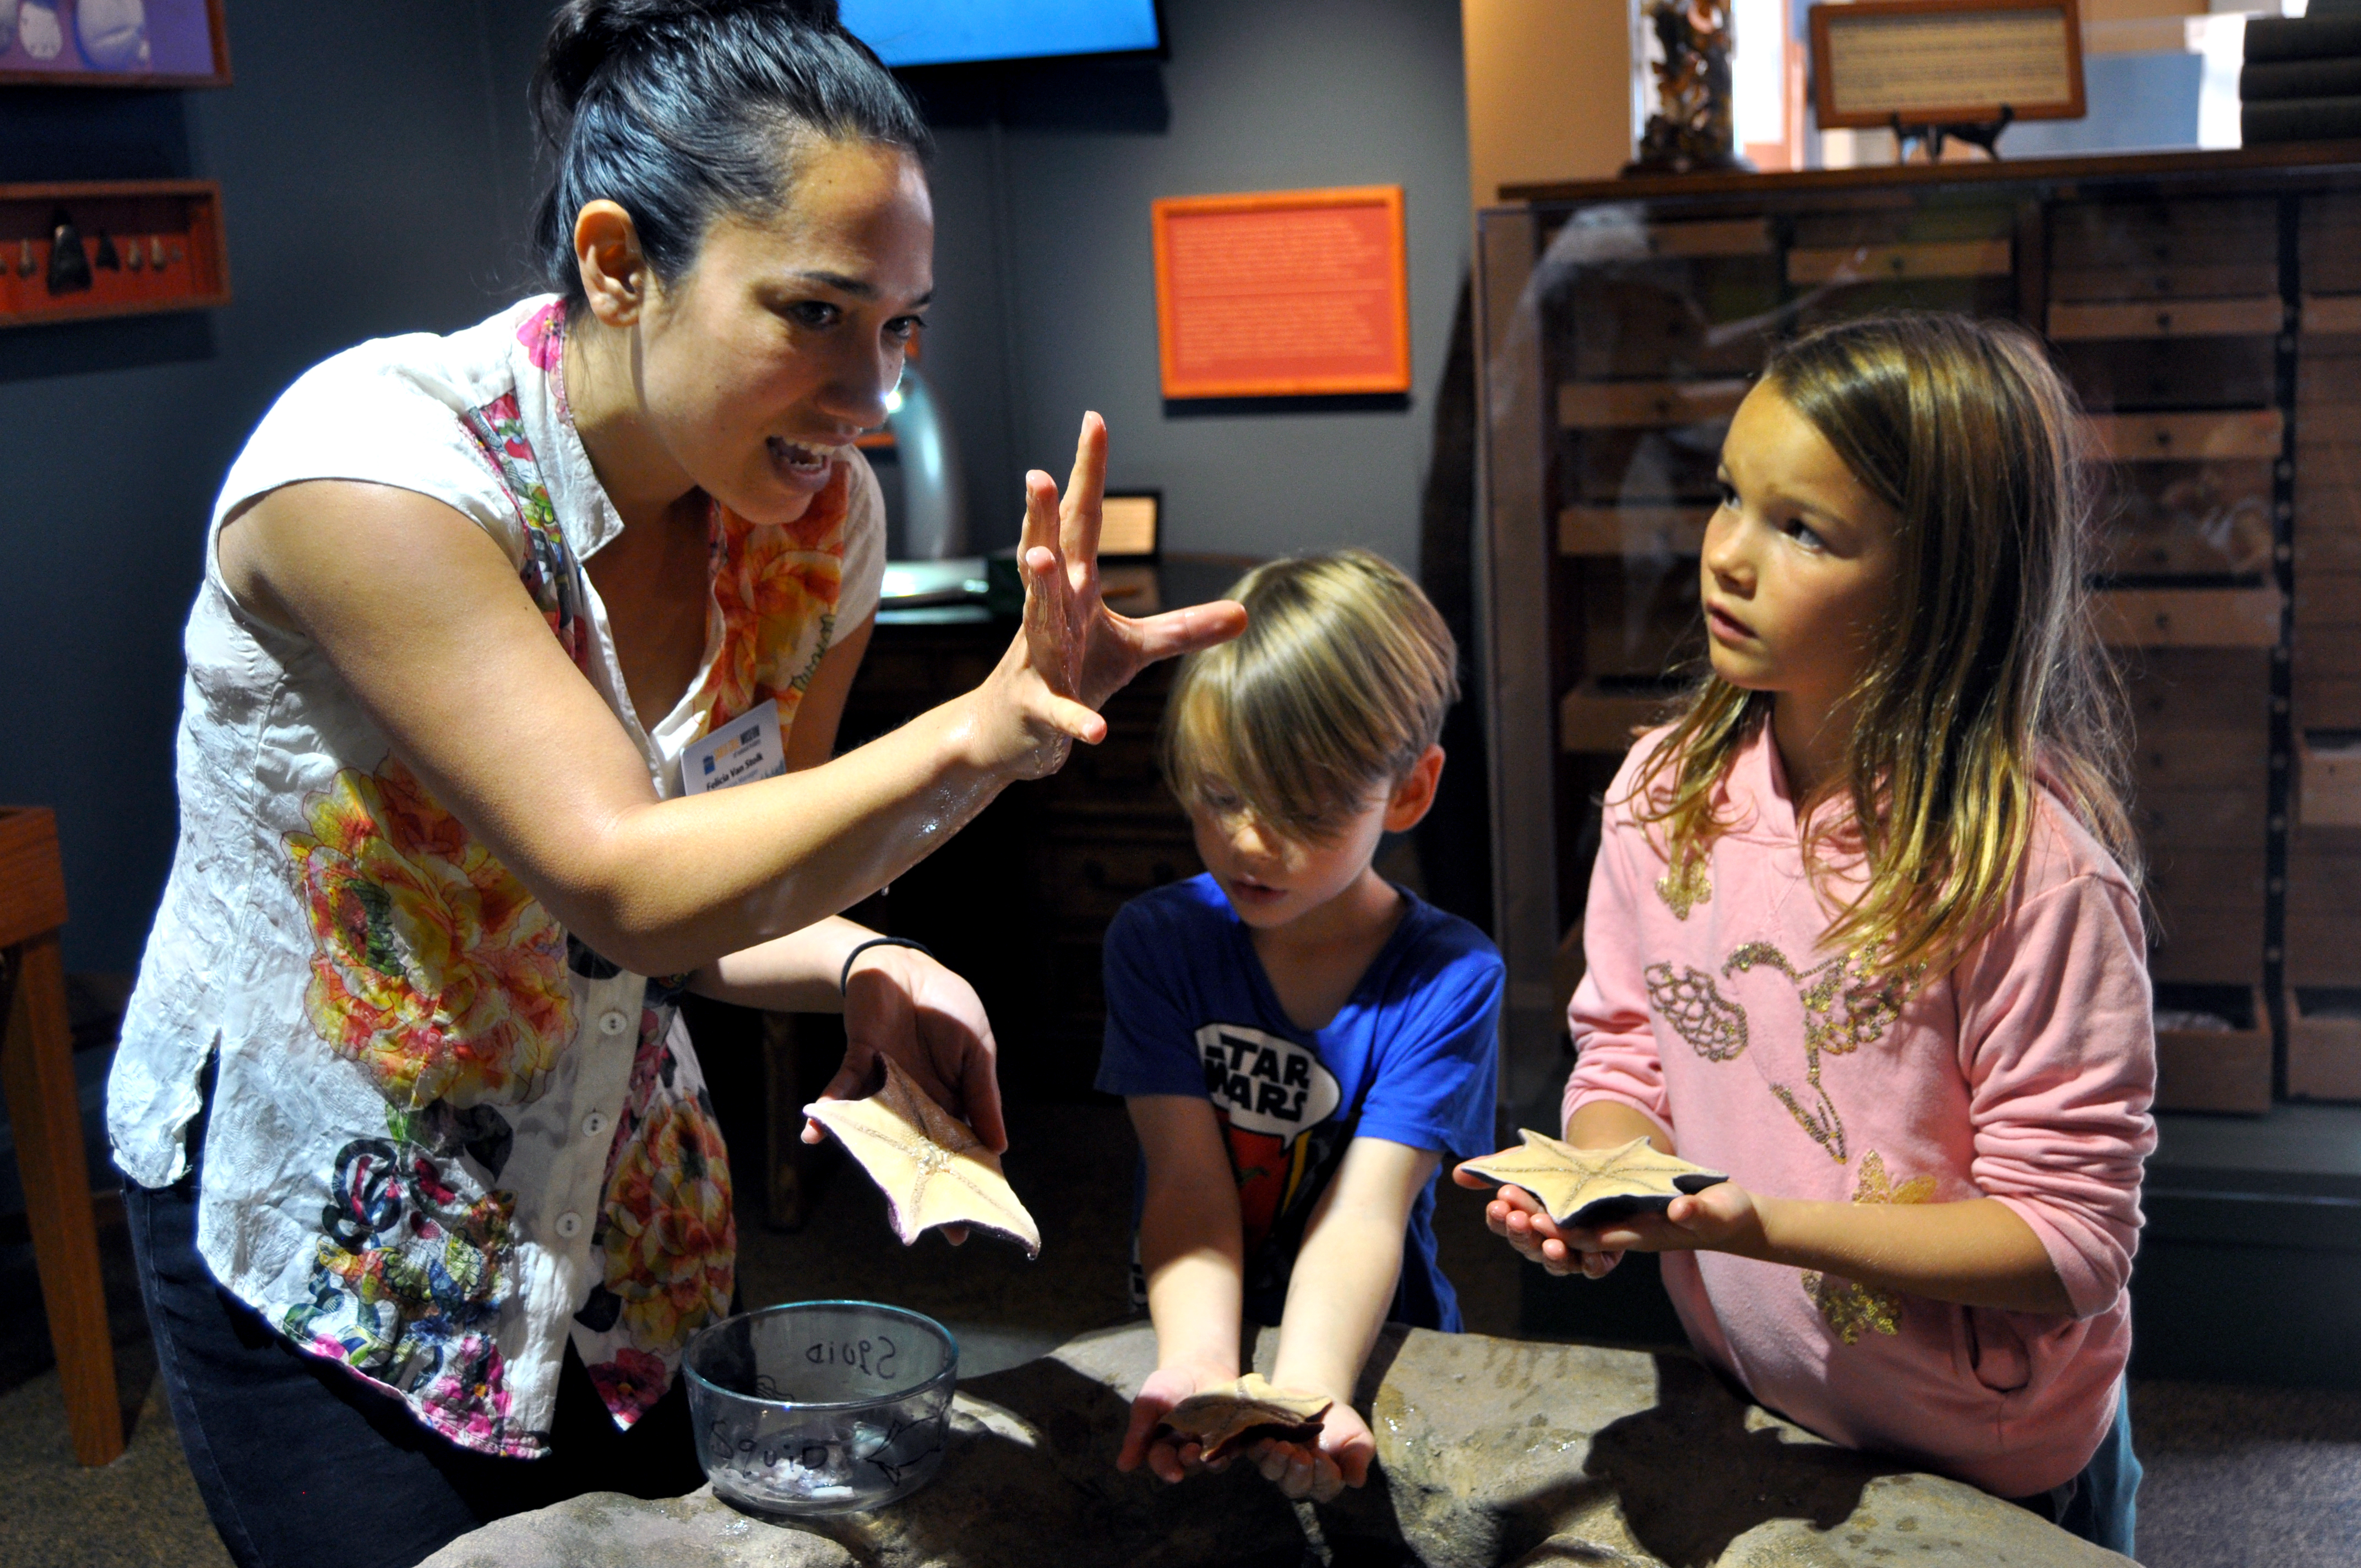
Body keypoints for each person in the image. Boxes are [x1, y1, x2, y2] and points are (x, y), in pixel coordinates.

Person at [102, 4, 1243, 1565]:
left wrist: (861, 953)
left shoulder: (814, 525)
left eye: (901, 326)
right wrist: (989, 729)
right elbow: (628, 879)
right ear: (619, 263)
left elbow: (725, 884)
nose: (877, 394)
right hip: (351, 1230)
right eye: (819, 314)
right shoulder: (376, 470)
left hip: (626, 1222)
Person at [1458, 314, 2154, 1556]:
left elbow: (2067, 1242)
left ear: (1943, 574)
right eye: (1730, 495)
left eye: (1800, 528)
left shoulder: (2034, 878)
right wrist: (1613, 1183)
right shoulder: (1662, 796)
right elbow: (1624, 1053)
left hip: (1994, 1458)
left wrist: (1744, 1220)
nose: (1724, 553)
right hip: (1760, 1401)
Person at [1099, 551, 1504, 1505]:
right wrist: (1199, 1368)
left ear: (1408, 790)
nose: (1249, 839)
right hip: (1190, 1318)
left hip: (1375, 1345)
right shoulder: (1158, 943)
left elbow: (1365, 1214)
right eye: (1220, 791)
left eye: (1302, 806)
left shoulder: (1450, 978)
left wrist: (1313, 1390)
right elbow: (1190, 1185)